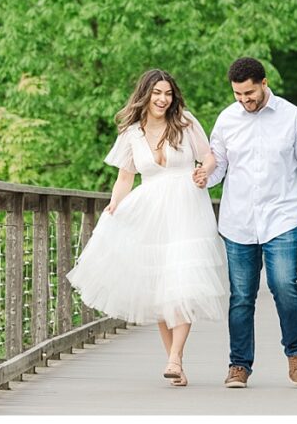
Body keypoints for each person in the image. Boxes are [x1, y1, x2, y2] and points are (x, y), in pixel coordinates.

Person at [67, 68, 227, 387]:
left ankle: (174, 357)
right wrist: (114, 206)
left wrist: (203, 172)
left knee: (183, 282)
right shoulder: (132, 133)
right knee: (160, 287)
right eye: (157, 93)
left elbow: (209, 157)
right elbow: (125, 178)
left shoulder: (185, 121)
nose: (163, 99)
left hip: (186, 209)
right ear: (146, 95)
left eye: (168, 93)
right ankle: (176, 363)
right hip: (150, 210)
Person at [193, 57, 297, 389]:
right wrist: (205, 176)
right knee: (242, 296)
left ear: (264, 83)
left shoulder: (293, 118)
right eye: (237, 94)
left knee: (284, 285)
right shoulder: (227, 120)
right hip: (238, 221)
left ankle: (295, 350)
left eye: (249, 93)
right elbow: (218, 167)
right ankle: (239, 365)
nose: (244, 101)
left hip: (281, 217)